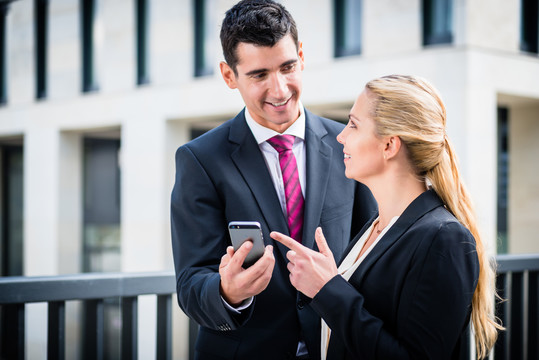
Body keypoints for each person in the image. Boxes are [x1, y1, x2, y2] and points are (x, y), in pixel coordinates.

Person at [170, 1, 376, 359]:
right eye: (259, 75)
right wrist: (227, 291)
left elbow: (372, 258)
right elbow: (190, 285)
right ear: (228, 75)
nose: (280, 90)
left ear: (301, 55)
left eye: (287, 67)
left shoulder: (348, 143)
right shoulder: (200, 160)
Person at [271, 75, 503, 359]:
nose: (341, 136)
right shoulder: (376, 224)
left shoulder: (445, 238)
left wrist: (328, 289)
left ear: (390, 145)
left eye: (354, 125)